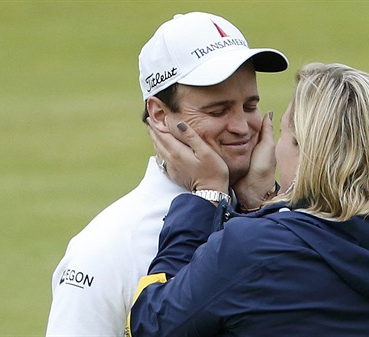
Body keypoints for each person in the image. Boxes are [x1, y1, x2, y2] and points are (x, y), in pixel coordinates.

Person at [127, 63, 369, 336]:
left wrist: (207, 193)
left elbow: (152, 322)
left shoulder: (250, 249)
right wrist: (264, 204)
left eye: (285, 134)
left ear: (308, 152)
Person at [46, 12, 287, 336]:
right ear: (159, 115)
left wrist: (263, 203)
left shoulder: (286, 215)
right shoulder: (107, 248)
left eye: (249, 106)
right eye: (218, 111)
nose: (242, 128)